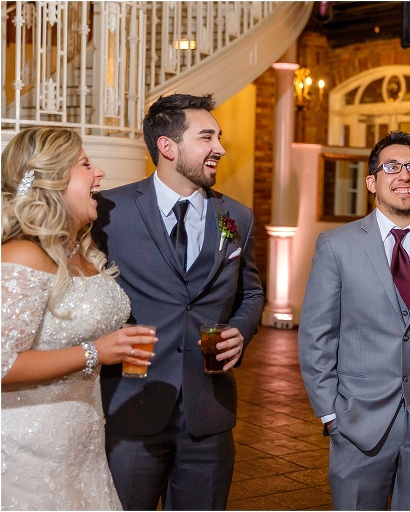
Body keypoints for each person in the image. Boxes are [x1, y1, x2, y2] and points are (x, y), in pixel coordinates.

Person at [92, 93, 265, 510]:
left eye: (219, 137)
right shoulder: (110, 211)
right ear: (168, 147)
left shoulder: (236, 217)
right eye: (207, 137)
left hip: (209, 414)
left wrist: (240, 331)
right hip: (132, 406)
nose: (220, 148)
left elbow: (252, 293)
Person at [298, 131, 410, 510]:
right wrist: (331, 412)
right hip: (358, 420)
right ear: (372, 182)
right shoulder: (337, 245)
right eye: (392, 167)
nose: (405, 176)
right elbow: (317, 335)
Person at [1, 127, 157, 510]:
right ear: (53, 180)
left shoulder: (84, 254)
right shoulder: (20, 255)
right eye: (85, 164)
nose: (100, 173)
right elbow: (2, 364)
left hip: (82, 443)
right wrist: (95, 351)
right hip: (27, 448)